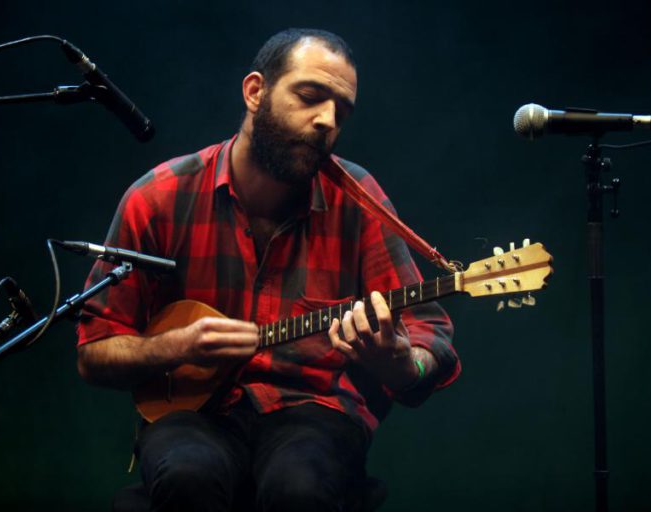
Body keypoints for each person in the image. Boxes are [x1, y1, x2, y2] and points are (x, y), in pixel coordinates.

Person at [76, 28, 460, 512]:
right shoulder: (159, 196)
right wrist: (177, 346)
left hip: (313, 411)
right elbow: (94, 352)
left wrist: (402, 363)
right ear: (255, 91)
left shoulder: (358, 201)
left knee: (299, 487)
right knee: (187, 476)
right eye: (310, 96)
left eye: (342, 110)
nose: (327, 121)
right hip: (193, 415)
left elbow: (432, 336)